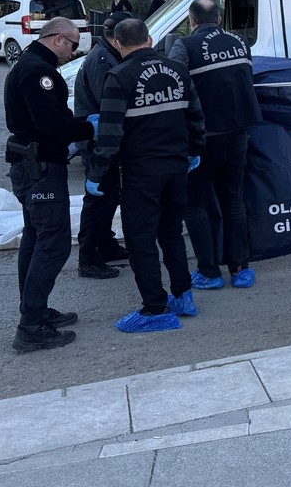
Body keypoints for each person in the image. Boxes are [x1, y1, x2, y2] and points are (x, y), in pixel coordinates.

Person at [87, 19, 205, 332]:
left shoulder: (119, 76)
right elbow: (195, 116)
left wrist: (96, 173)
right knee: (171, 234)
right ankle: (183, 295)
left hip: (142, 172)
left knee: (141, 241)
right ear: (149, 39)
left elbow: (110, 134)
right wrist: (195, 150)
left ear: (117, 43)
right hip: (177, 167)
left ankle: (155, 310)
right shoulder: (178, 70)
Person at [3, 17, 97, 351]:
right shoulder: (37, 72)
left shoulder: (31, 64)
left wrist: (78, 124)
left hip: (33, 163)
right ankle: (30, 327)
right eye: (73, 46)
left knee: (35, 238)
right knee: (53, 242)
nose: (73, 54)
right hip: (40, 165)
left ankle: (35, 310)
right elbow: (50, 123)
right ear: (58, 39)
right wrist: (87, 129)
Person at [169, 0, 262, 291]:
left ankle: (209, 272)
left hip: (201, 138)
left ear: (191, 20)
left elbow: (173, 86)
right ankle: (240, 268)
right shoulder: (240, 42)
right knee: (233, 200)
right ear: (220, 19)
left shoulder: (185, 46)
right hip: (238, 134)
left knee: (194, 204)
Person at [72, 12, 131, 279]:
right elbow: (109, 102)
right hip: (98, 139)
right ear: (117, 38)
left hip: (104, 137)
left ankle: (105, 244)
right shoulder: (102, 59)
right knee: (98, 198)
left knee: (109, 195)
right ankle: (88, 256)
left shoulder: (106, 53)